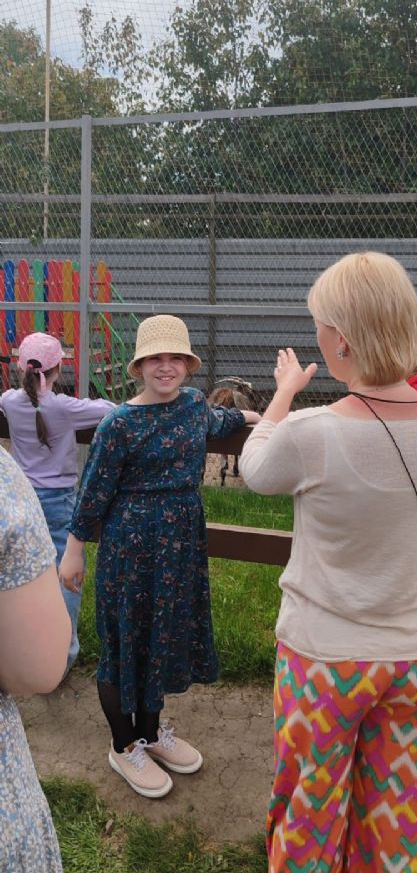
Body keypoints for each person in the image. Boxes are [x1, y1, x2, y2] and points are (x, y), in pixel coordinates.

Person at [239, 251, 417, 873]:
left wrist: (283, 394)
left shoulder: (312, 432)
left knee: (309, 816)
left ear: (342, 343)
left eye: (320, 327)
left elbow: (255, 468)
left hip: (325, 662)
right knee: (402, 826)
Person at [59, 315, 260, 799]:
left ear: (188, 365)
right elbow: (93, 492)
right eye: (155, 359)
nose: (165, 367)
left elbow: (225, 421)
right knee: (124, 642)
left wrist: (261, 419)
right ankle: (123, 744)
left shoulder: (192, 405)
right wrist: (73, 552)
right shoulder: (118, 424)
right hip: (130, 548)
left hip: (180, 547)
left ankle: (150, 733)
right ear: (139, 367)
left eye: (175, 358)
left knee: (162, 636)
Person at [0, 332, 115, 672]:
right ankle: (61, 657)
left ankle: (24, 651)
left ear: (21, 367)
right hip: (60, 500)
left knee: (28, 573)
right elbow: (109, 410)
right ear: (58, 369)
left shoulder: (9, 401)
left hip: (24, 498)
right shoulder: (64, 407)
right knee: (66, 575)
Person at [0, 444, 71, 871]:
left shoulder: (13, 410)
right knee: (58, 582)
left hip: (44, 495)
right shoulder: (2, 482)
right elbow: (40, 670)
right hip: (56, 501)